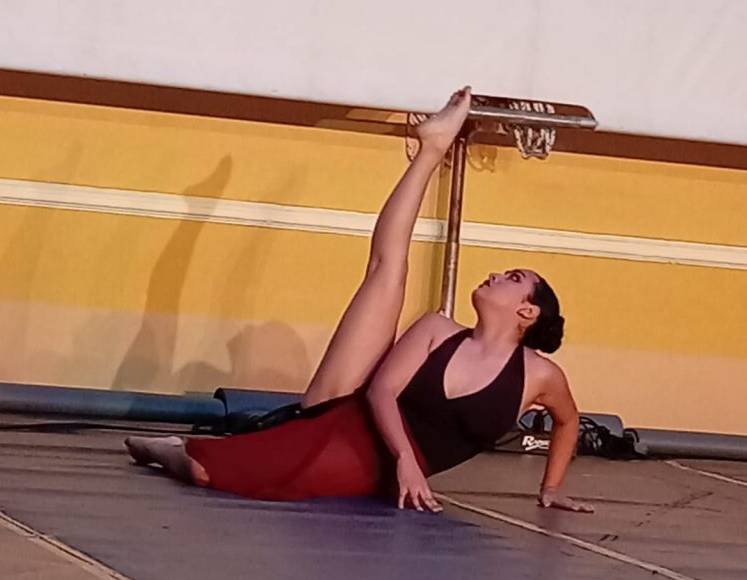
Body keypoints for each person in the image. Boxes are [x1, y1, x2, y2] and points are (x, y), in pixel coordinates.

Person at [125, 88, 593, 514]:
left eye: (513, 279)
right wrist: (406, 460)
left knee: (202, 471)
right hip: (343, 412)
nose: (495, 275)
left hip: (373, 467)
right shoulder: (437, 328)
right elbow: (380, 392)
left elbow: (568, 422)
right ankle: (432, 150)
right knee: (387, 270)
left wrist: (551, 487)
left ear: (528, 311)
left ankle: (169, 448)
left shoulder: (541, 376)